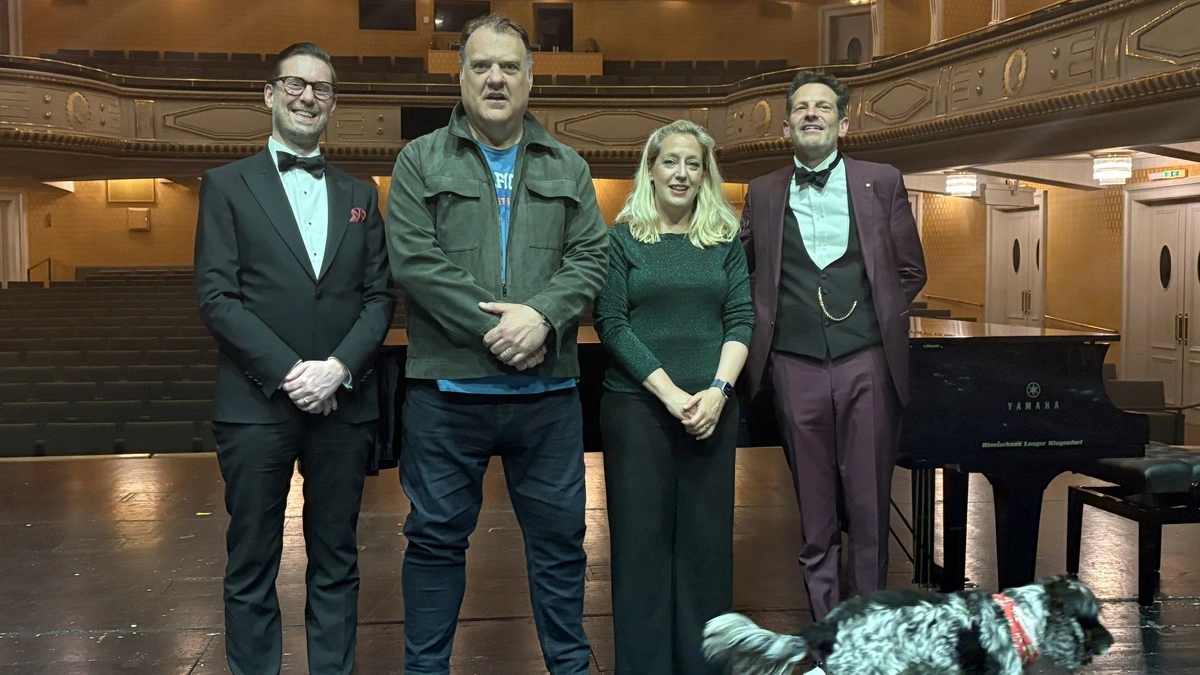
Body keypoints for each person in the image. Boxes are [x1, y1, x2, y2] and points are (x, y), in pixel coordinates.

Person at [382, 13, 608, 675]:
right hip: (447, 394)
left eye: (509, 66)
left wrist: (543, 317)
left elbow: (590, 258)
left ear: (531, 78)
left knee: (561, 546)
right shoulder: (420, 160)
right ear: (461, 76)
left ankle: (571, 667)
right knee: (434, 542)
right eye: (481, 65)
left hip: (549, 395)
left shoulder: (568, 165)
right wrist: (504, 329)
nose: (496, 78)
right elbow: (415, 262)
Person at [194, 42, 395, 675]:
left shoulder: (362, 193)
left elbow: (379, 298)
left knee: (337, 557)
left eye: (322, 88)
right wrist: (289, 372)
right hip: (255, 404)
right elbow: (217, 298)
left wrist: (337, 369)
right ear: (269, 94)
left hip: (343, 405)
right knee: (252, 560)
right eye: (295, 84)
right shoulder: (225, 185)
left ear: (333, 104)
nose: (309, 96)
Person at [738, 69, 927, 644]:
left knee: (869, 510)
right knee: (815, 514)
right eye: (801, 108)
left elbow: (910, 270)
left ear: (844, 123)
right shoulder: (763, 191)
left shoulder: (882, 181)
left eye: (823, 107)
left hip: (868, 363)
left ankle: (868, 638)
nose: (811, 114)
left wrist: (871, 317)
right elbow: (742, 271)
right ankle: (827, 637)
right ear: (787, 127)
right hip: (793, 366)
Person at [594, 119, 753, 674]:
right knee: (640, 550)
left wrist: (717, 391)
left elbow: (741, 318)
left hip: (712, 411)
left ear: (705, 175)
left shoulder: (724, 240)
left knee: (707, 550)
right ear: (651, 170)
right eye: (671, 161)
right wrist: (669, 393)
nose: (681, 173)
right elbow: (611, 323)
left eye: (693, 164)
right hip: (637, 410)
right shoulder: (620, 240)